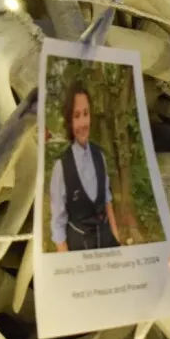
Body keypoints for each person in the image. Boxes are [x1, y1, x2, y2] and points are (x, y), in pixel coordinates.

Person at [50, 81, 121, 252]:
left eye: (86, 114)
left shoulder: (100, 156)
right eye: (76, 116)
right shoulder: (61, 168)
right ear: (69, 120)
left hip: (107, 242)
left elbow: (107, 201)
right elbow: (58, 225)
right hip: (79, 249)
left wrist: (117, 242)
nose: (83, 122)